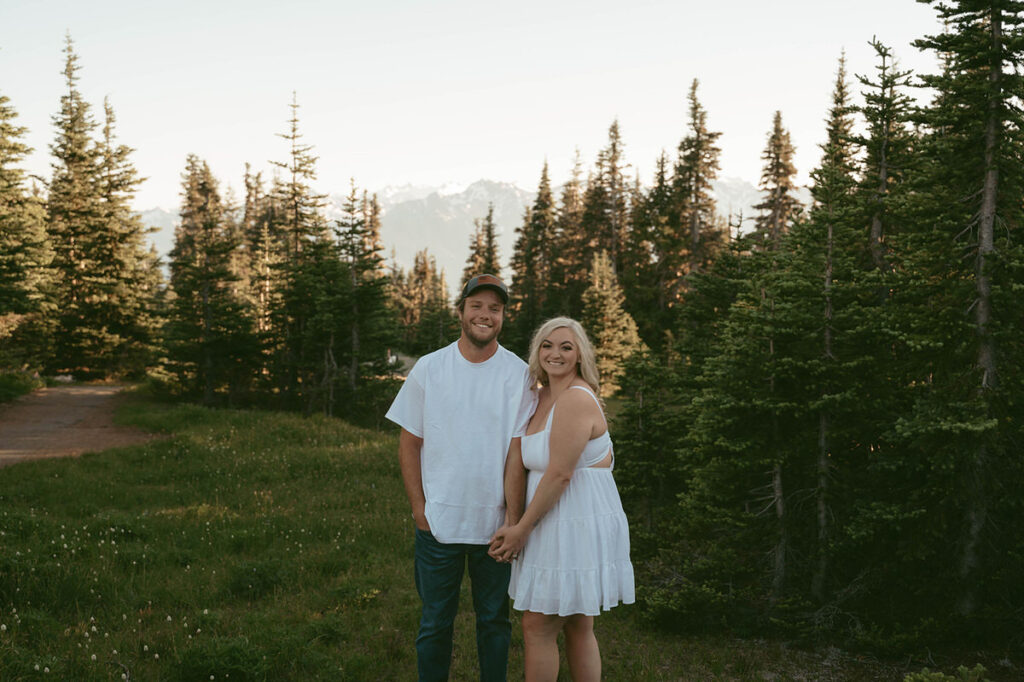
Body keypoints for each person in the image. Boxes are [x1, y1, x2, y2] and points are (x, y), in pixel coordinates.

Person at [385, 273, 537, 682]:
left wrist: (513, 520)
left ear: (503, 317)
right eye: (477, 306)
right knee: (435, 623)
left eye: (495, 308)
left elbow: (517, 454)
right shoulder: (430, 369)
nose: (485, 315)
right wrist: (420, 510)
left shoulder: (519, 376)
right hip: (438, 525)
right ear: (461, 312)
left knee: (494, 622)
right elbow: (409, 443)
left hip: (495, 529)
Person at [488, 317, 634, 682]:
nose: (555, 353)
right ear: (537, 351)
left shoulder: (574, 399)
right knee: (577, 622)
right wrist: (512, 519)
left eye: (566, 347)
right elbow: (516, 460)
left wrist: (522, 529)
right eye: (547, 345)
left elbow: (560, 474)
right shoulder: (539, 397)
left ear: (580, 354)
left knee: (538, 625)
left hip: (575, 518)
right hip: (550, 517)